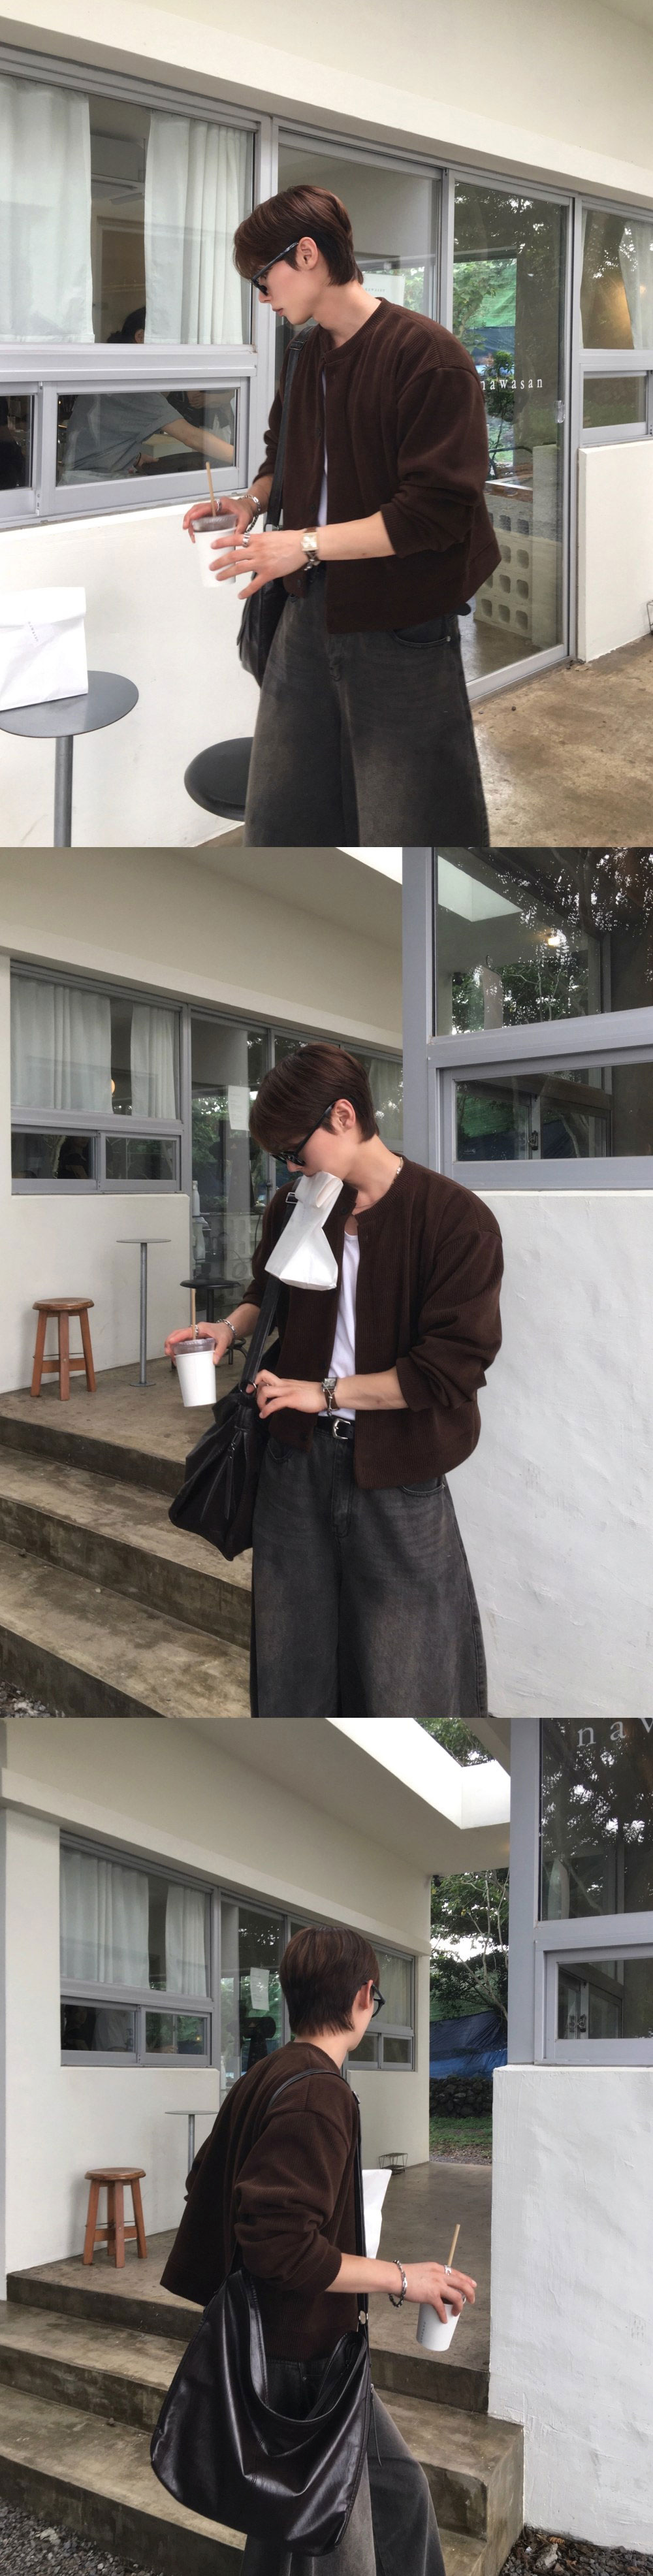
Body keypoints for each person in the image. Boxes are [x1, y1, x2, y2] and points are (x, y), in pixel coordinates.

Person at [165, 1044, 503, 1718]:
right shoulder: (295, 1206)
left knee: (411, 1672)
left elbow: (451, 1368)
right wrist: (227, 1328)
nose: (291, 1167)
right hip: (293, 1459)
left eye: (295, 1150)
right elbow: (268, 1291)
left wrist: (323, 1393)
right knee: (292, 1663)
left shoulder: (453, 1217)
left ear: (343, 1115)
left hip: (400, 1470)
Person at [182, 181, 500, 847]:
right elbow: (282, 456)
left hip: (400, 619)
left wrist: (301, 544)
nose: (261, 296)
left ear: (307, 255)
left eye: (261, 277)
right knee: (283, 811)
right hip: (305, 607)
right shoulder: (304, 353)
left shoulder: (428, 358)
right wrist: (249, 503)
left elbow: (433, 515)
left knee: (406, 819)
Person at [160, 1922, 477, 2576]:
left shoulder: (267, 2074)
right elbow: (280, 2246)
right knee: (325, 2543)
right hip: (299, 2361)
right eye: (376, 1998)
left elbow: (208, 2180)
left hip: (313, 2352)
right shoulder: (317, 2092)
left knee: (399, 2498)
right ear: (362, 1996)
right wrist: (402, 2277)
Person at [60, 307, 234, 481]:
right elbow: (191, 437)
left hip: (79, 478)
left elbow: (102, 433)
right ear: (141, 337)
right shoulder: (134, 386)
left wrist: (134, 458)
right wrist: (244, 457)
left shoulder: (113, 371)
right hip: (92, 483)